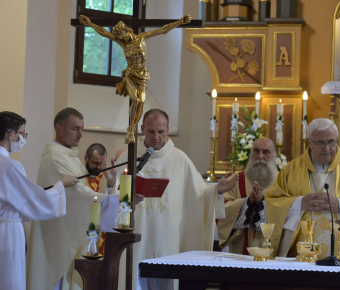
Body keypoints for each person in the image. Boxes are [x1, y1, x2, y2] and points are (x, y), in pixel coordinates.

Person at [115, 108, 238, 289]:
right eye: (151, 131)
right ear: (142, 128)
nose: (156, 137)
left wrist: (216, 191)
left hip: (167, 237)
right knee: (134, 278)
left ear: (168, 130)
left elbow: (200, 194)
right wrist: (123, 196)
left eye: (161, 132)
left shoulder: (180, 159)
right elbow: (110, 198)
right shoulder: (129, 156)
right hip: (137, 235)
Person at [26, 108, 119, 290]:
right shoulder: (55, 158)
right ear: (59, 129)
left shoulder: (71, 157)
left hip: (68, 234)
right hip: (56, 239)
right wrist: (115, 202)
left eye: (82, 128)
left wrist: (109, 185)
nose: (80, 134)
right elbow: (78, 194)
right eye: (75, 129)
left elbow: (86, 190)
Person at [79, 15, 191, 144]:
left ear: (127, 31)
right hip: (130, 75)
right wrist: (90, 23)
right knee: (136, 100)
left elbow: (162, 30)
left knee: (141, 101)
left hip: (142, 75)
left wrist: (180, 22)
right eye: (119, 36)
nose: (122, 38)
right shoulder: (122, 43)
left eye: (122, 34)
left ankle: (131, 128)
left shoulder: (142, 38)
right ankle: (131, 130)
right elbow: (104, 33)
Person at [0, 111, 78, 290]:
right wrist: (60, 185)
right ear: (10, 134)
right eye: (22, 134)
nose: (23, 139)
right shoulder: (10, 166)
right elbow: (34, 202)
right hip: (7, 231)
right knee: (10, 279)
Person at [265, 118, 340, 258]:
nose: (327, 148)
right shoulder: (290, 171)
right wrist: (298, 203)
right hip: (302, 252)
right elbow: (272, 202)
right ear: (309, 143)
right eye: (321, 143)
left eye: (331, 142)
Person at [217, 137, 278, 254]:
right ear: (251, 154)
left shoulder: (282, 181)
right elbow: (221, 209)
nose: (260, 157)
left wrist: (263, 203)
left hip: (273, 251)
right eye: (256, 151)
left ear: (274, 155)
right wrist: (247, 202)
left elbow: (288, 211)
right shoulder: (235, 180)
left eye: (266, 152)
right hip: (240, 250)